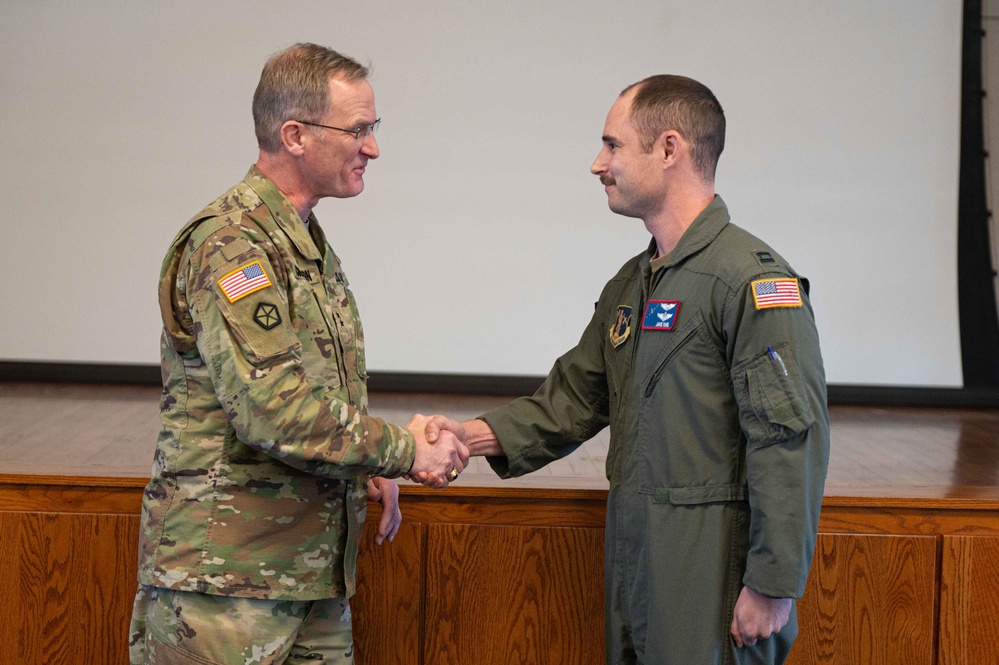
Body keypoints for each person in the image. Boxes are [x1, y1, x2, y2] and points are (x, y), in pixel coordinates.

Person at [422, 75, 830, 664]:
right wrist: (466, 437)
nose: (597, 163)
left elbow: (788, 439)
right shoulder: (631, 285)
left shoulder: (751, 281)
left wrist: (772, 582)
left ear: (668, 150)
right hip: (636, 551)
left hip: (708, 561)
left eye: (612, 145)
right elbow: (572, 401)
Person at [128, 43, 468, 664]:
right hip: (225, 590)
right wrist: (402, 451)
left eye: (373, 128)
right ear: (296, 135)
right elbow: (273, 410)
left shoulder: (302, 238)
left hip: (304, 580)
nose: (372, 147)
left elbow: (318, 398)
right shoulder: (233, 244)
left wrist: (365, 467)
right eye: (358, 129)